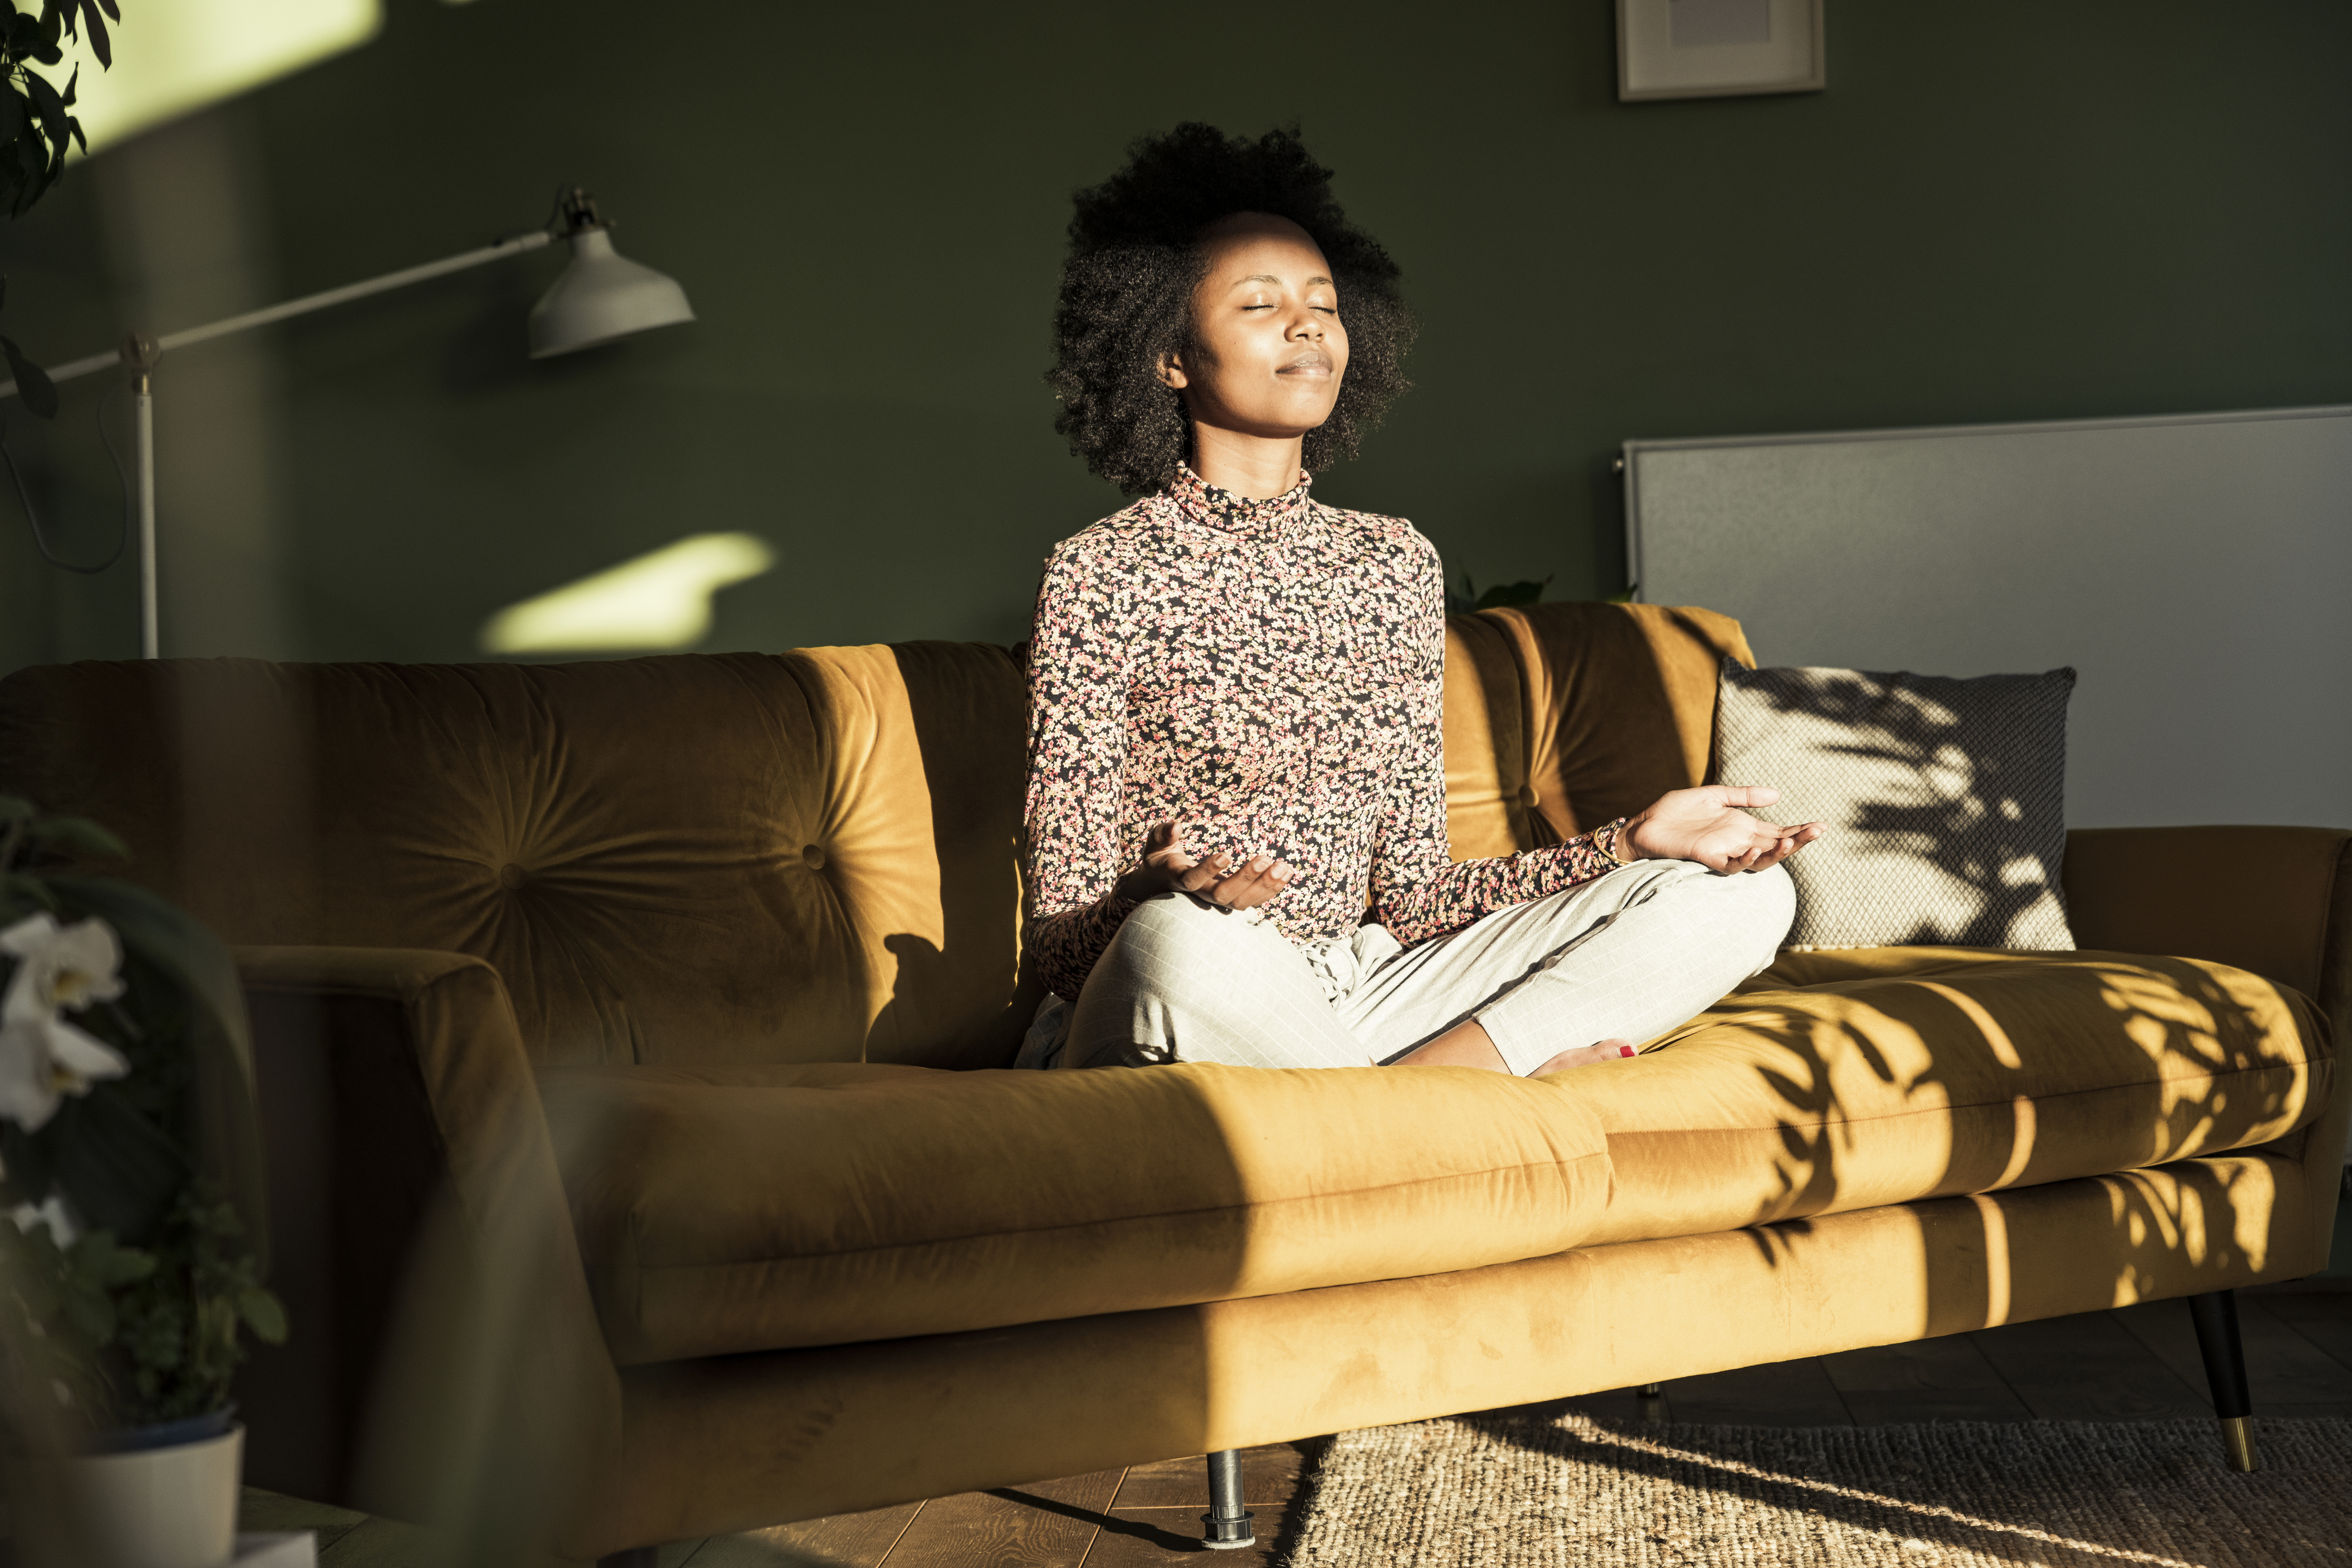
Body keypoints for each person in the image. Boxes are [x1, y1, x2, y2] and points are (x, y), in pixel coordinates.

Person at [1022, 124, 1820, 1077]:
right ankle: (1452, 1110)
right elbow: (1064, 950)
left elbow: (1412, 896)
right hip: (1191, 991)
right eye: (1260, 304)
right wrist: (1152, 897)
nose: (1309, 325)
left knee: (1743, 899)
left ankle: (1434, 1092)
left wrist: (1630, 842)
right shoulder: (1099, 575)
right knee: (1177, 944)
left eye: (1323, 302)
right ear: (1168, 356)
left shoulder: (1392, 563)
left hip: (1361, 994)